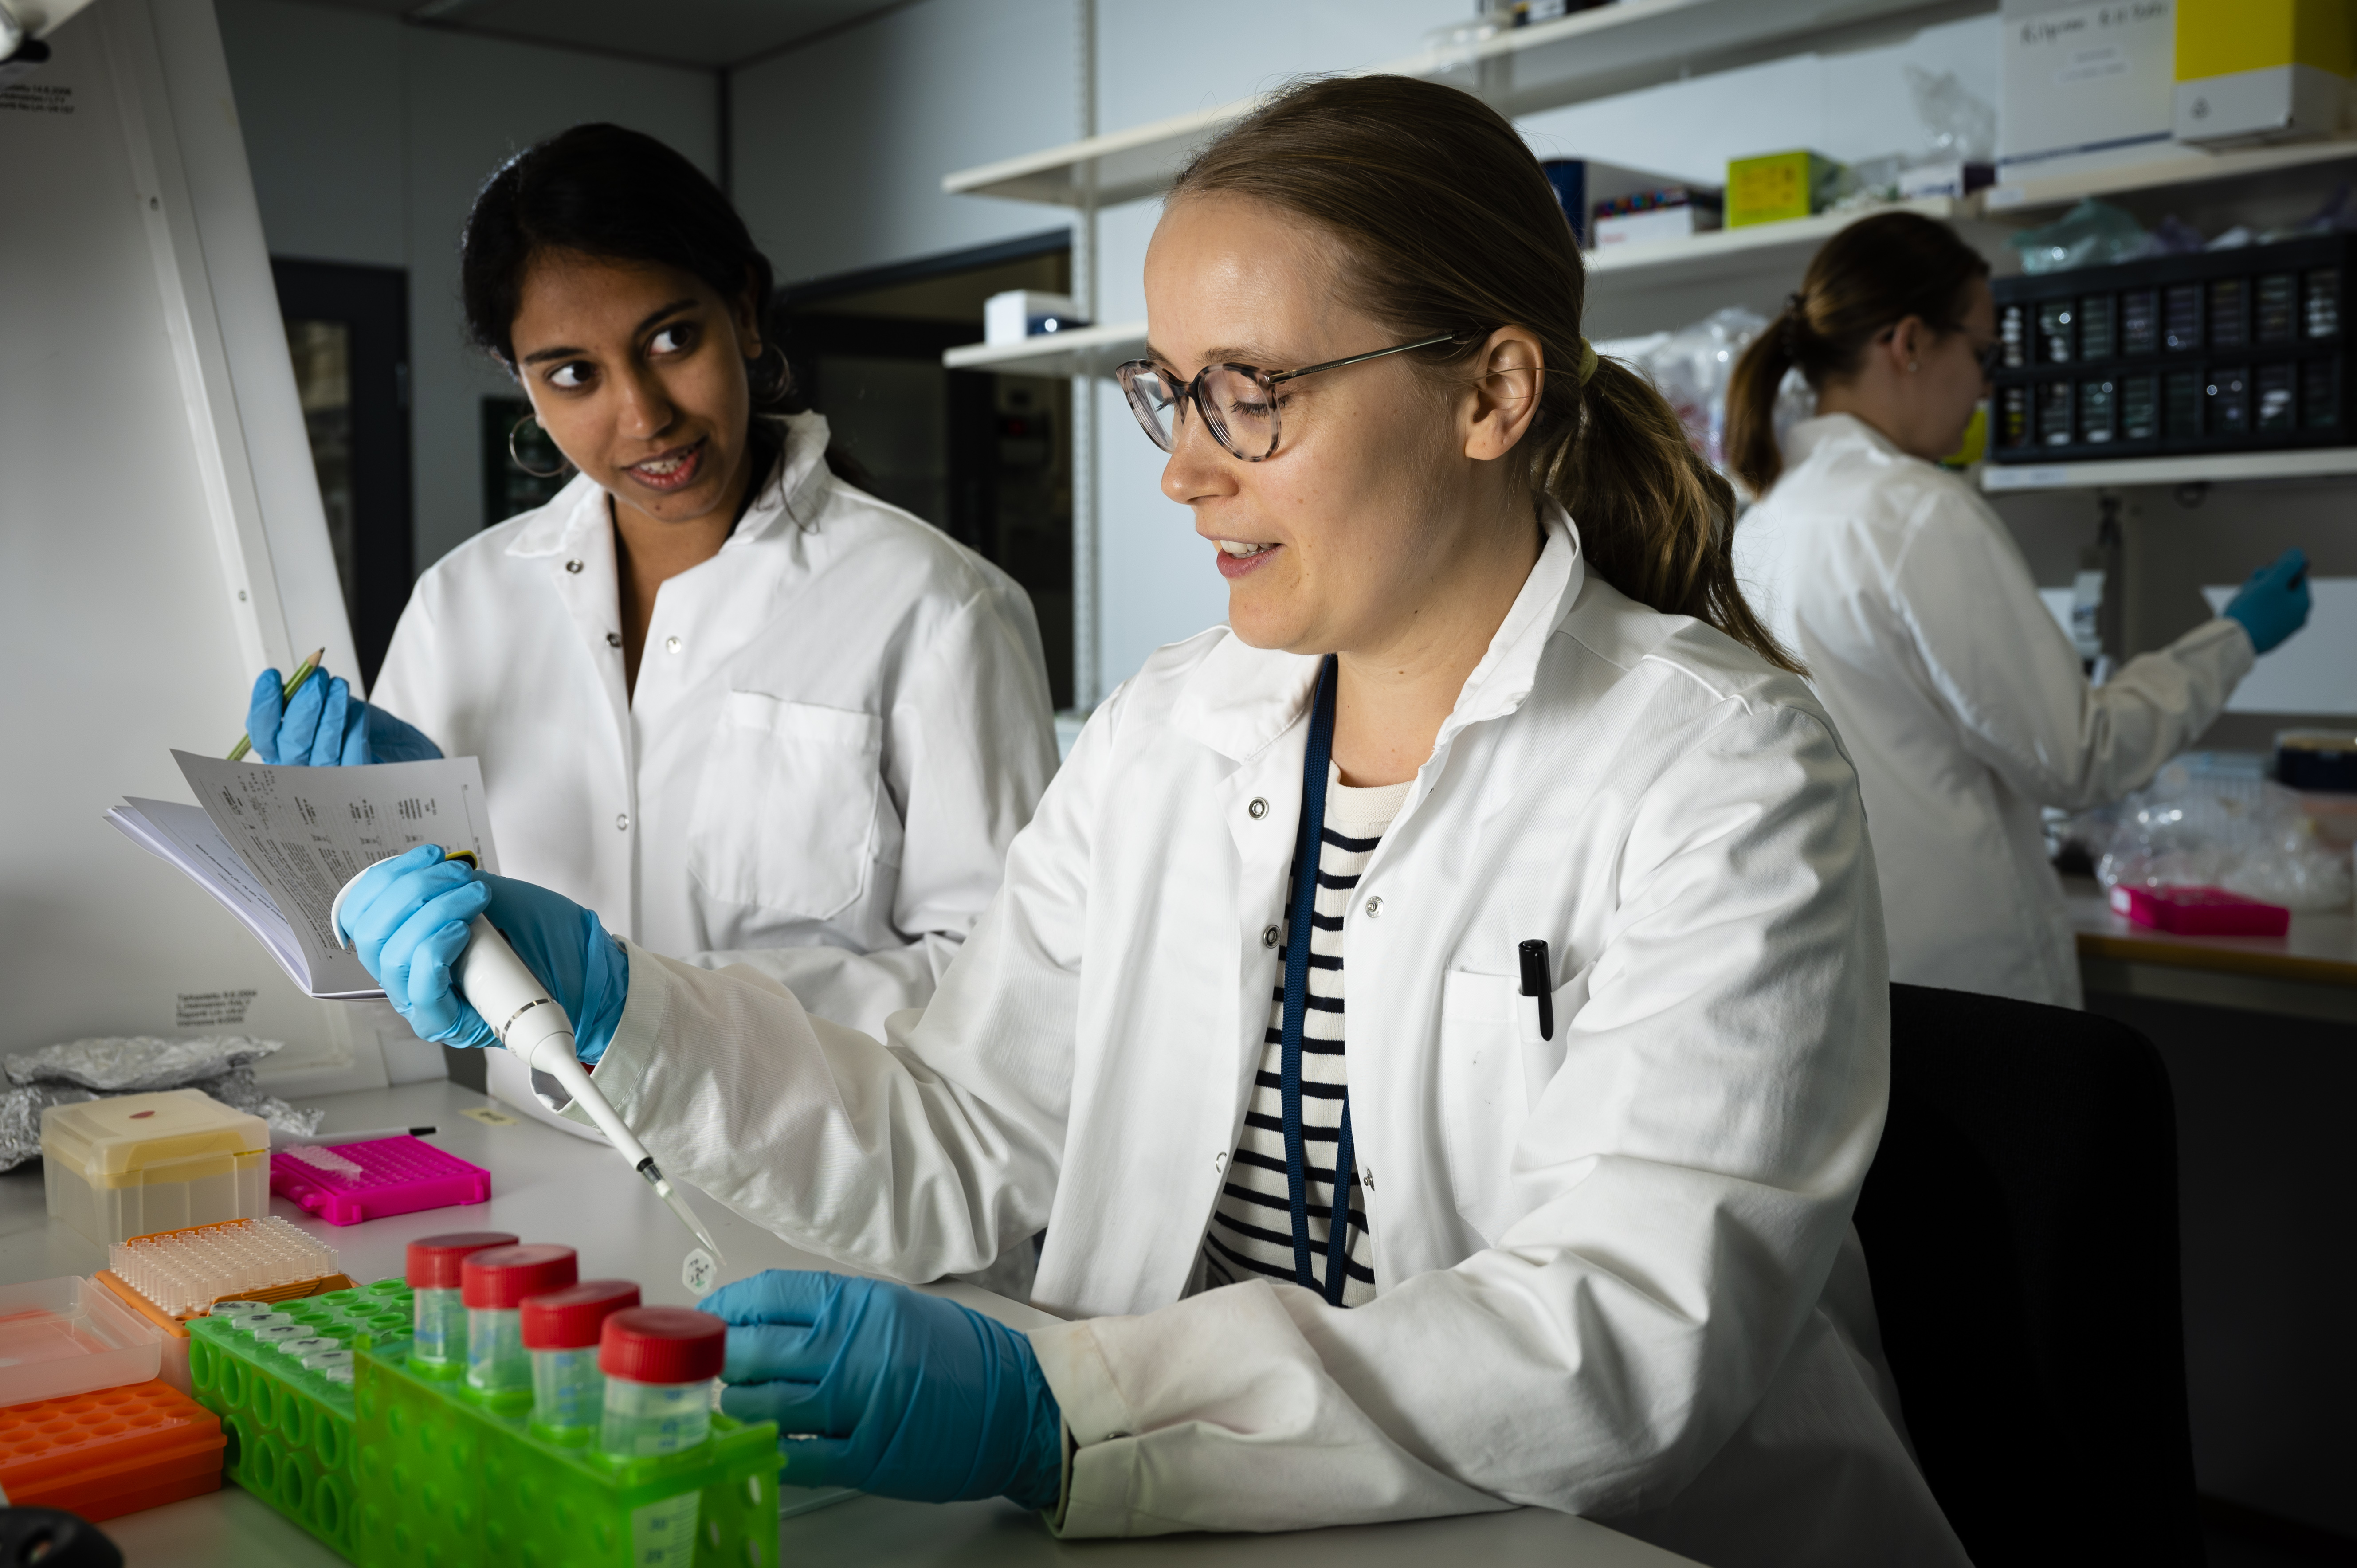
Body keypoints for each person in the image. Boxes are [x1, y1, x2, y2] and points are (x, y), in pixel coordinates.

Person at [337, 78, 1967, 1567]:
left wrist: (1069, 1405)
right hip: (1190, 1520)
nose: (1184, 473)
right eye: (1167, 394)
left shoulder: (1723, 775)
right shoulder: (1171, 731)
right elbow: (962, 1126)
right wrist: (630, 1017)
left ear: (1491, 391)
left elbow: (1617, 1337)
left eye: (1248, 395)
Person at [241, 125, 1059, 1056]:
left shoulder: (937, 606)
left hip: (813, 1182)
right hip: (536, 1160)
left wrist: (640, 1004)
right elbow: (392, 969)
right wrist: (345, 837)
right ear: (524, 383)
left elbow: (1003, 985)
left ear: (745, 311)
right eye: (574, 374)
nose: (642, 415)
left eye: (671, 339)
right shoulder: (461, 604)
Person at [1728, 212, 2313, 1007]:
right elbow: (2078, 758)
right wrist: (2234, 639)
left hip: (1841, 978)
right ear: (1908, 343)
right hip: (1959, 987)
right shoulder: (1917, 512)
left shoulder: (1763, 520)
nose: (1987, 386)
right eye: (1983, 353)